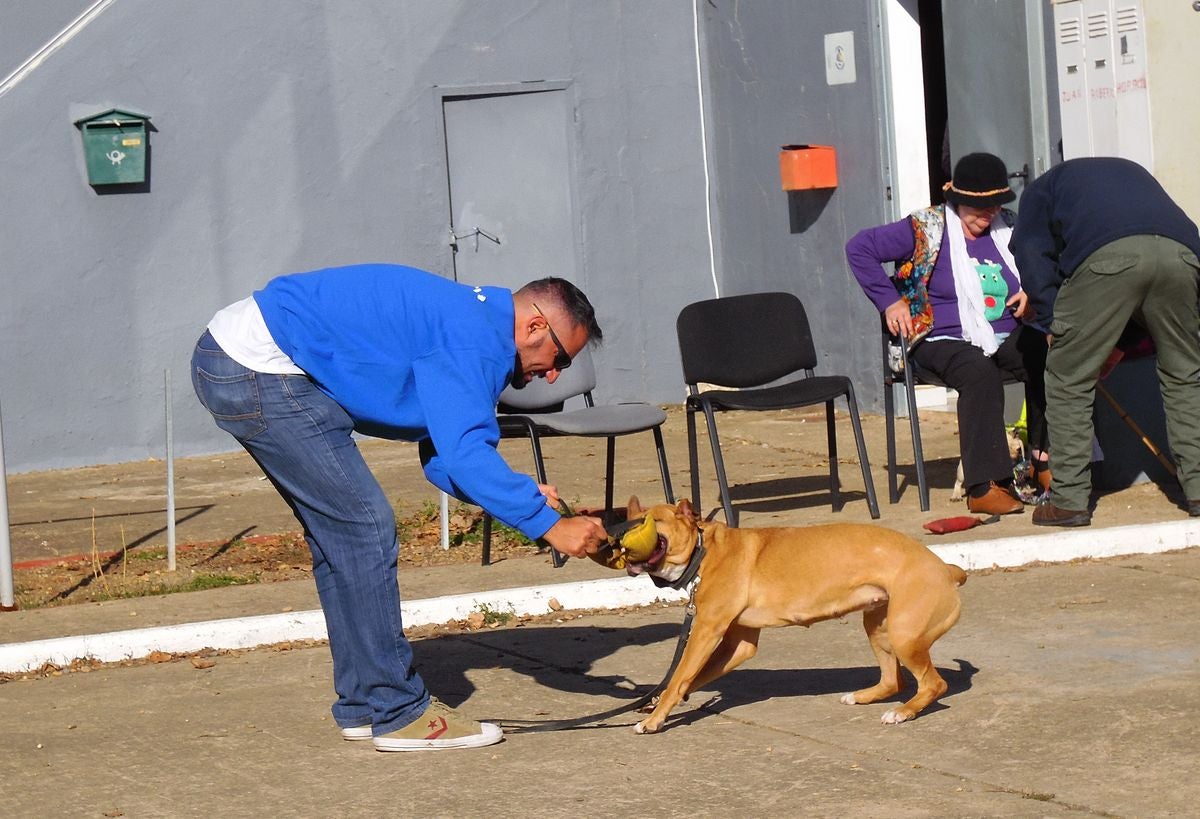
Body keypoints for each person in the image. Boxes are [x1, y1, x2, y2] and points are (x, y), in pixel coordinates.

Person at [190, 264, 609, 750]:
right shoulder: (474, 338)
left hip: (247, 359)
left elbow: (441, 453)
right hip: (259, 367)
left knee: (345, 538)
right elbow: (464, 454)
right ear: (536, 325)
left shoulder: (474, 327)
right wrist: (550, 526)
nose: (554, 374)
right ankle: (400, 712)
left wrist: (516, 493)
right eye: (558, 356)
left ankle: (365, 703)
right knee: (365, 529)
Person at [846, 152, 1049, 515]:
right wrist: (890, 302)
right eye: (977, 207)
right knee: (977, 371)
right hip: (940, 338)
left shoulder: (1010, 228)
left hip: (1003, 333)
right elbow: (859, 248)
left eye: (993, 207)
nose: (987, 215)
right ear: (957, 199)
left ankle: (1045, 459)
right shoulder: (926, 227)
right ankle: (984, 485)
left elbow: (1043, 266)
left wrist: (1032, 293)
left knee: (1050, 354)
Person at [1011, 156, 1200, 527]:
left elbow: (1031, 254)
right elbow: (1143, 283)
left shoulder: (1039, 191)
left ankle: (1069, 501)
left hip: (1108, 259)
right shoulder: (1131, 173)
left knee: (1067, 380)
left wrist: (1053, 323)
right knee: (1185, 377)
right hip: (1182, 256)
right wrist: (1118, 344)